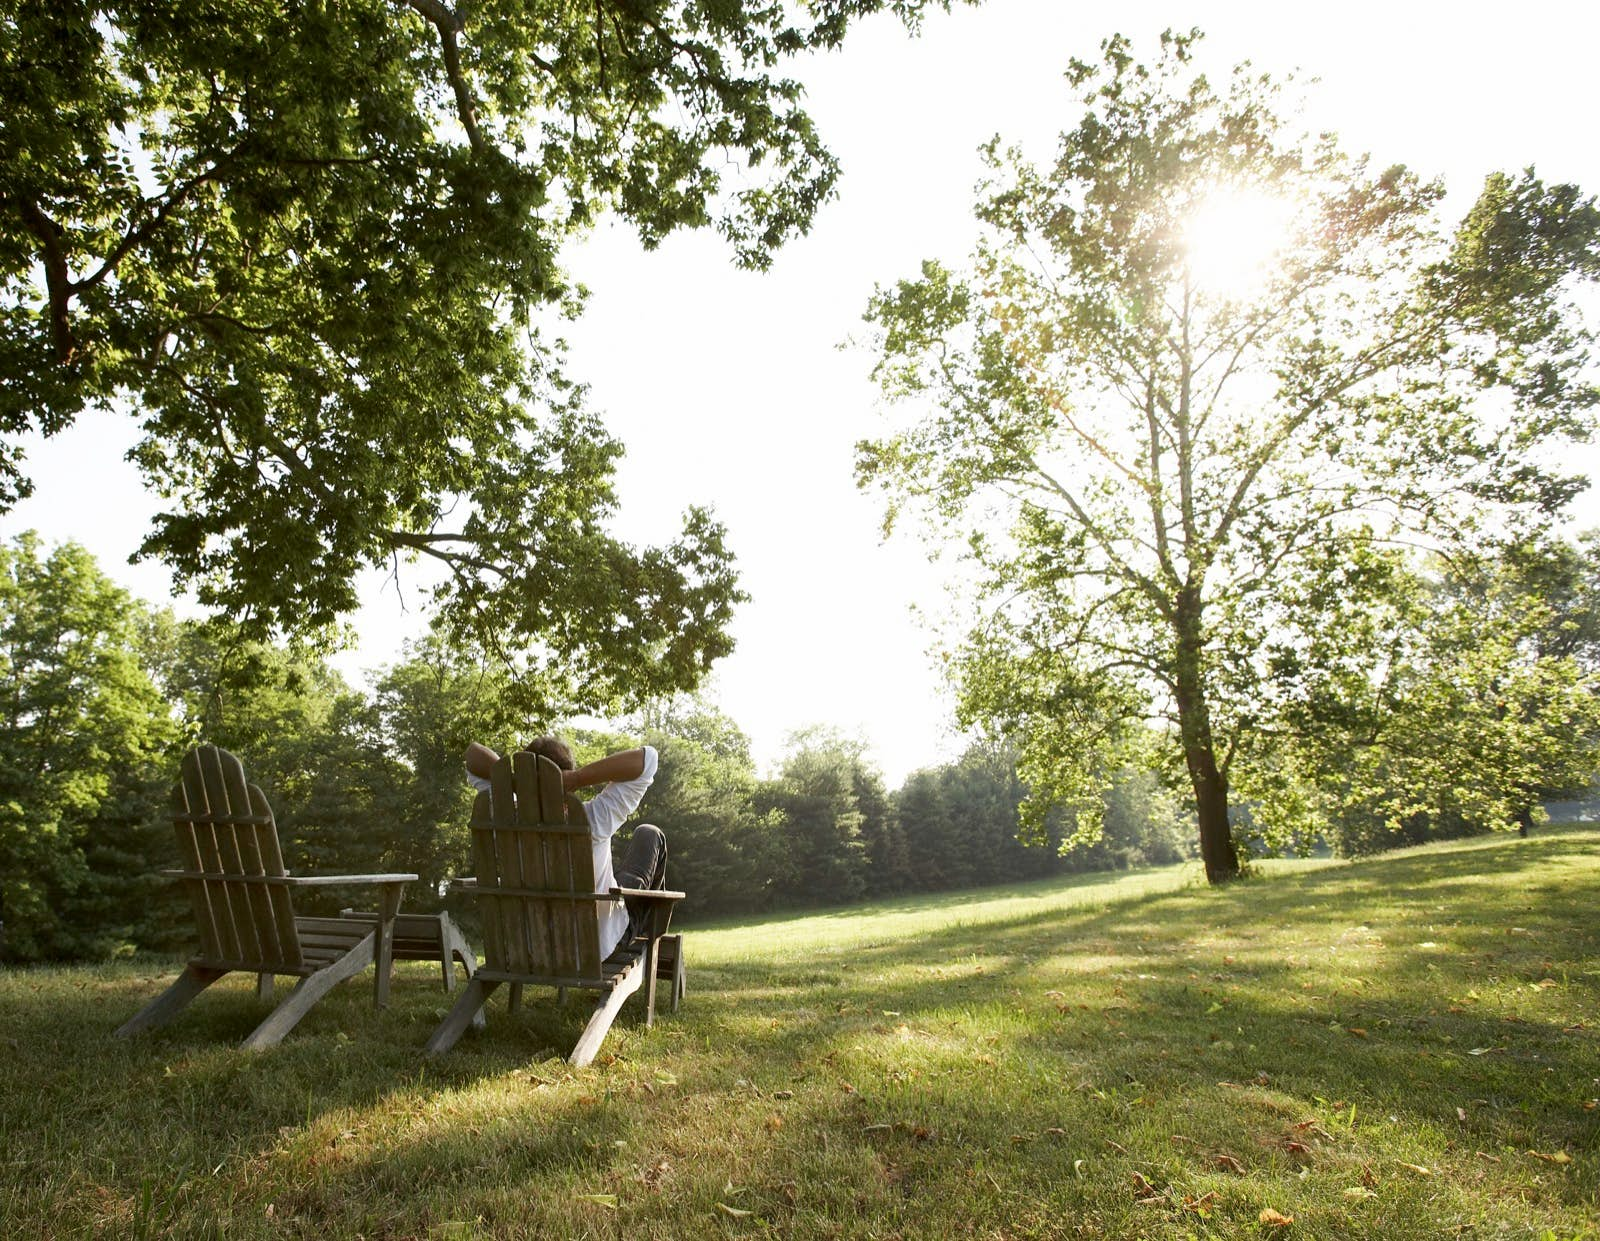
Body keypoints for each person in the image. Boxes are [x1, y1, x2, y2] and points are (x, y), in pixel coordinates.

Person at [464, 737, 666, 959]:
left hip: (536, 947)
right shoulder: (592, 821)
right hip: (597, 946)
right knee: (648, 834)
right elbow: (648, 759)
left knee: (619, 877)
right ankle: (655, 937)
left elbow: (473, 755)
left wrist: (516, 781)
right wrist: (578, 778)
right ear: (566, 783)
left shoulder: (504, 816)